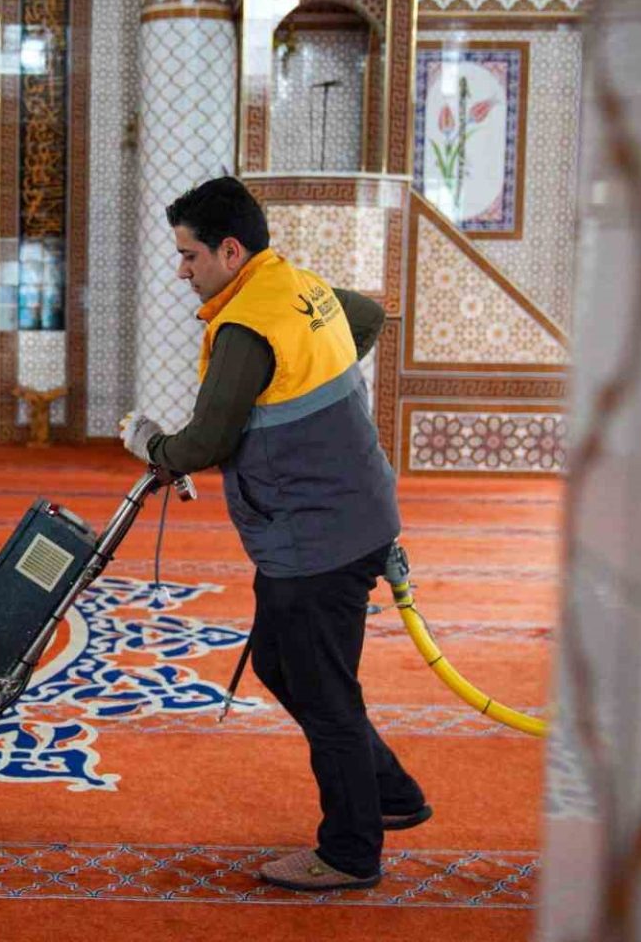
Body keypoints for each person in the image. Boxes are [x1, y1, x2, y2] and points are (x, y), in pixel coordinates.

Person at [119, 176, 429, 892]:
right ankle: (390, 790)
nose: (182, 270)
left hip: (317, 536)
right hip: (340, 515)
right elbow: (367, 317)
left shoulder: (246, 326)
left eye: (190, 255)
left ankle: (351, 851)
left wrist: (150, 445)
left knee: (323, 690)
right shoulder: (296, 284)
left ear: (230, 251)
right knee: (282, 664)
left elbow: (204, 442)